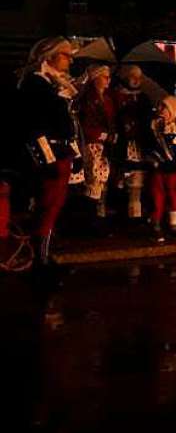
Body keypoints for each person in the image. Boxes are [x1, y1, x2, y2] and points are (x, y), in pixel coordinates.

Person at [18, 37, 79, 264]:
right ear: (49, 56)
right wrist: (48, 158)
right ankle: (40, 256)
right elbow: (35, 125)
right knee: (48, 204)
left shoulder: (55, 84)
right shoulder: (37, 84)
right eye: (66, 55)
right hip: (50, 153)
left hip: (61, 152)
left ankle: (45, 247)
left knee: (55, 203)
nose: (70, 61)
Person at [142, 95, 176, 244]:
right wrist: (156, 162)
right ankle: (156, 225)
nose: (160, 110)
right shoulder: (153, 127)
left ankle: (173, 225)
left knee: (174, 197)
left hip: (175, 170)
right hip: (159, 170)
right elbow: (148, 147)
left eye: (164, 107)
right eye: (160, 106)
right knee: (157, 197)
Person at [76, 64, 117, 226]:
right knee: (93, 179)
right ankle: (90, 219)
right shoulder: (88, 99)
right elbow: (84, 124)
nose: (108, 80)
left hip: (104, 145)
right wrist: (102, 134)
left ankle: (98, 217)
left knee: (101, 181)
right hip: (93, 144)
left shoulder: (107, 99)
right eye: (105, 77)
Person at [114, 66, 152, 224]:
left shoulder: (144, 98)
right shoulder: (117, 96)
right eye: (132, 76)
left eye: (139, 77)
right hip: (122, 143)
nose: (137, 80)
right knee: (121, 178)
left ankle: (134, 214)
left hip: (139, 143)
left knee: (137, 179)